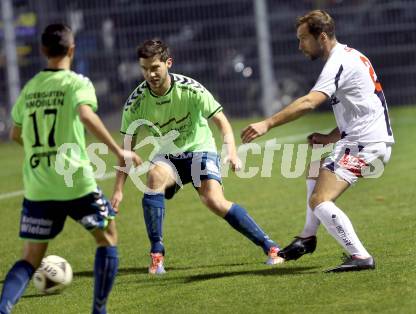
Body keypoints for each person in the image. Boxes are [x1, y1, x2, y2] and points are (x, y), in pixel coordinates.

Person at [0, 24, 141, 314]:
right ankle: (98, 311)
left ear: (42, 51)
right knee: (107, 238)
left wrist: (40, 153)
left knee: (30, 257)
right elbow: (85, 114)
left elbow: (15, 134)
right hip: (75, 181)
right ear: (72, 49)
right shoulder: (77, 83)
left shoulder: (30, 88)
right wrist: (118, 151)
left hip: (39, 185)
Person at [111, 39, 284, 274]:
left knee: (213, 200)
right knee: (154, 178)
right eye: (144, 69)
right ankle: (157, 254)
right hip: (168, 157)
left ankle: (270, 246)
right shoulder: (136, 102)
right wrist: (118, 189)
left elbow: (221, 121)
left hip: (199, 149)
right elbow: (126, 149)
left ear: (168, 63)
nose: (149, 74)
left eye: (154, 68)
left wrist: (231, 151)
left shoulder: (190, 89)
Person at [241, 10, 394, 272]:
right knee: (314, 169)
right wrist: (330, 137)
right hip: (363, 141)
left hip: (366, 146)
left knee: (320, 200)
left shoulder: (338, 62)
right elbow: (360, 110)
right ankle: (307, 237)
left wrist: (267, 123)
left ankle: (360, 257)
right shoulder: (351, 56)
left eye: (303, 39)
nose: (300, 46)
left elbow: (310, 101)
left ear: (321, 37)